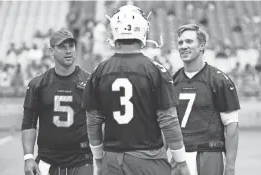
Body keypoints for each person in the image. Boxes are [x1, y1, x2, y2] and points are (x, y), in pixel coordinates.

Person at [82, 5, 190, 175]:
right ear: (143, 30)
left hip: (112, 160)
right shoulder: (156, 70)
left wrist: (99, 159)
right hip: (148, 158)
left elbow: (93, 122)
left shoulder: (99, 72)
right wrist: (181, 162)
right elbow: (169, 121)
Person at [21, 29, 94, 175]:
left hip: (81, 160)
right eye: (62, 47)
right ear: (51, 51)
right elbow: (29, 122)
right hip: (48, 161)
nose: (68, 51)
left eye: (71, 46)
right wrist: (28, 157)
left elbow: (100, 120)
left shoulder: (90, 82)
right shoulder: (38, 84)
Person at [172, 24, 240, 175]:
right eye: (180, 42)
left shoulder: (219, 80)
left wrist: (230, 167)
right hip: (180, 154)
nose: (184, 46)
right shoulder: (172, 81)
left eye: (189, 41)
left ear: (202, 45)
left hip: (209, 152)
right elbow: (167, 122)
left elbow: (232, 127)